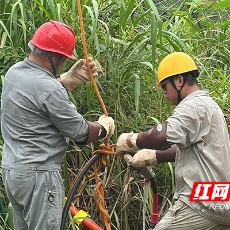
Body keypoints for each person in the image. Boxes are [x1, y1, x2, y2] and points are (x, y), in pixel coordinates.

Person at [1, 20, 115, 230]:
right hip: (39, 177)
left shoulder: (14, 73)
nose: (63, 62)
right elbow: (80, 133)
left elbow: (36, 97)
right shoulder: (49, 89)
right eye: (62, 58)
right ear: (52, 56)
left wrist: (65, 81)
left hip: (13, 172)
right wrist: (103, 128)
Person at [116, 52, 230, 229]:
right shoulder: (210, 106)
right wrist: (153, 156)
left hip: (201, 204)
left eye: (164, 85)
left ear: (179, 80)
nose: (164, 92)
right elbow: (191, 150)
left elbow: (160, 136)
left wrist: (132, 140)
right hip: (220, 198)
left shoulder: (193, 106)